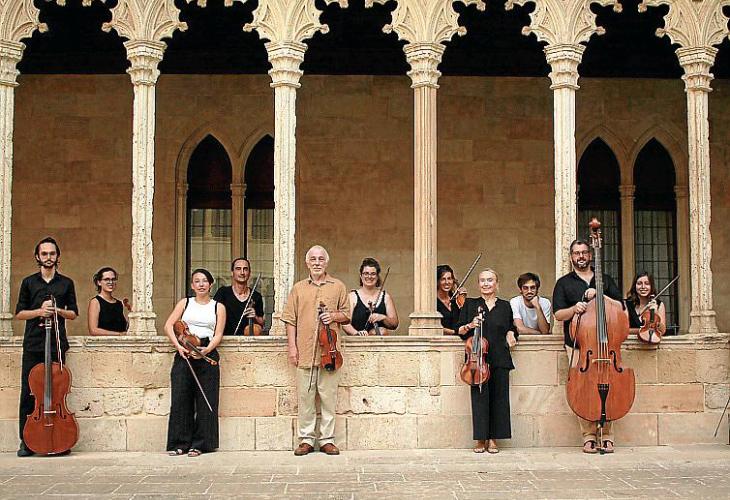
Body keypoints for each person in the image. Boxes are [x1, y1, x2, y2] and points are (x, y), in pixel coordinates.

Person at [552, 239, 623, 454]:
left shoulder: (605, 280)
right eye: (576, 253)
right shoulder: (564, 283)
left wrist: (601, 295)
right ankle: (589, 435)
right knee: (582, 388)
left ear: (590, 255)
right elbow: (558, 314)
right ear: (571, 257)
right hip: (578, 345)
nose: (581, 256)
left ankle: (607, 435)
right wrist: (575, 308)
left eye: (584, 252)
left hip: (606, 343)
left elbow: (621, 306)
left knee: (610, 386)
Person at [282, 245, 350, 456]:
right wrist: (292, 347)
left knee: (329, 398)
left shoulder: (338, 286)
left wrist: (333, 316)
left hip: (330, 353)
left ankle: (327, 440)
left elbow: (347, 314)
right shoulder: (298, 288)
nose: (317, 262)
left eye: (321, 259)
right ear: (307, 263)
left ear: (326, 262)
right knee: (305, 398)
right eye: (313, 259)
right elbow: (290, 320)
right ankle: (306, 440)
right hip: (304, 350)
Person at [15, 237, 78, 457]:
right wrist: (40, 312)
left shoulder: (66, 283)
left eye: (52, 253)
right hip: (34, 344)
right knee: (29, 393)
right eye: (44, 254)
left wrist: (57, 310)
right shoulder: (28, 282)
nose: (48, 257)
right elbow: (19, 313)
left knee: (57, 392)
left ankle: (59, 439)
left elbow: (73, 313)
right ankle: (26, 442)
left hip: (56, 344)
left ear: (57, 256)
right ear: (37, 256)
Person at [163, 268, 225, 457]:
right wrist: (178, 347)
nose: (201, 284)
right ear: (192, 285)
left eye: (204, 281)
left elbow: (218, 334)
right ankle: (180, 443)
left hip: (206, 349)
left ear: (211, 284)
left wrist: (207, 350)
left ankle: (201, 444)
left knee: (207, 401)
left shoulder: (218, 307)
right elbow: (168, 325)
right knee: (181, 399)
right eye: (197, 281)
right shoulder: (185, 303)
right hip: (184, 351)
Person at [456, 269, 517, 454]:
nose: (486, 283)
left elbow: (512, 326)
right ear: (478, 284)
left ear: (496, 284)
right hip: (477, 360)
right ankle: (480, 439)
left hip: (499, 356)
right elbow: (459, 330)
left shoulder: (505, 306)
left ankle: (493, 439)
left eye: (490, 280)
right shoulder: (470, 304)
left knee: (500, 399)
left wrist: (511, 333)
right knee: (479, 400)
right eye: (482, 280)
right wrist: (470, 325)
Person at [342, 258, 398, 336]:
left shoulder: (385, 297)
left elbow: (394, 324)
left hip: (380, 342)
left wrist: (383, 317)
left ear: (377, 276)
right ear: (361, 276)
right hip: (358, 342)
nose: (369, 276)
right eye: (366, 273)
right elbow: (345, 323)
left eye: (373, 274)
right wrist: (357, 333)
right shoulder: (352, 297)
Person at [213, 258, 265, 336]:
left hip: (247, 340)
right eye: (238, 269)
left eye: (245, 269)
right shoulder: (223, 293)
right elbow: (213, 318)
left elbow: (262, 323)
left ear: (249, 273)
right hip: (225, 339)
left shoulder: (256, 296)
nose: (242, 272)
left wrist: (255, 317)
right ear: (232, 272)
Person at [625, 272, 666, 344]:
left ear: (651, 286)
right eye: (639, 283)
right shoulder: (626, 304)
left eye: (647, 283)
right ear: (635, 286)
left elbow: (662, 331)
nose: (643, 287)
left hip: (652, 346)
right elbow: (624, 329)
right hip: (630, 344)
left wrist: (655, 314)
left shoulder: (659, 304)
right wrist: (644, 330)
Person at [87, 267, 128, 336]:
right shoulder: (95, 302)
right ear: (99, 282)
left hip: (121, 342)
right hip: (104, 342)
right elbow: (93, 330)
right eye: (106, 279)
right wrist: (119, 334)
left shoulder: (119, 303)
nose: (111, 282)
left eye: (113, 279)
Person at [437, 265, 465, 336]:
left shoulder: (456, 300)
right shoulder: (433, 302)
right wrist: (455, 332)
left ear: (453, 281)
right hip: (441, 340)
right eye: (443, 279)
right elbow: (433, 327)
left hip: (459, 340)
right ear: (437, 281)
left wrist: (464, 301)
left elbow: (465, 321)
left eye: (449, 278)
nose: (447, 282)